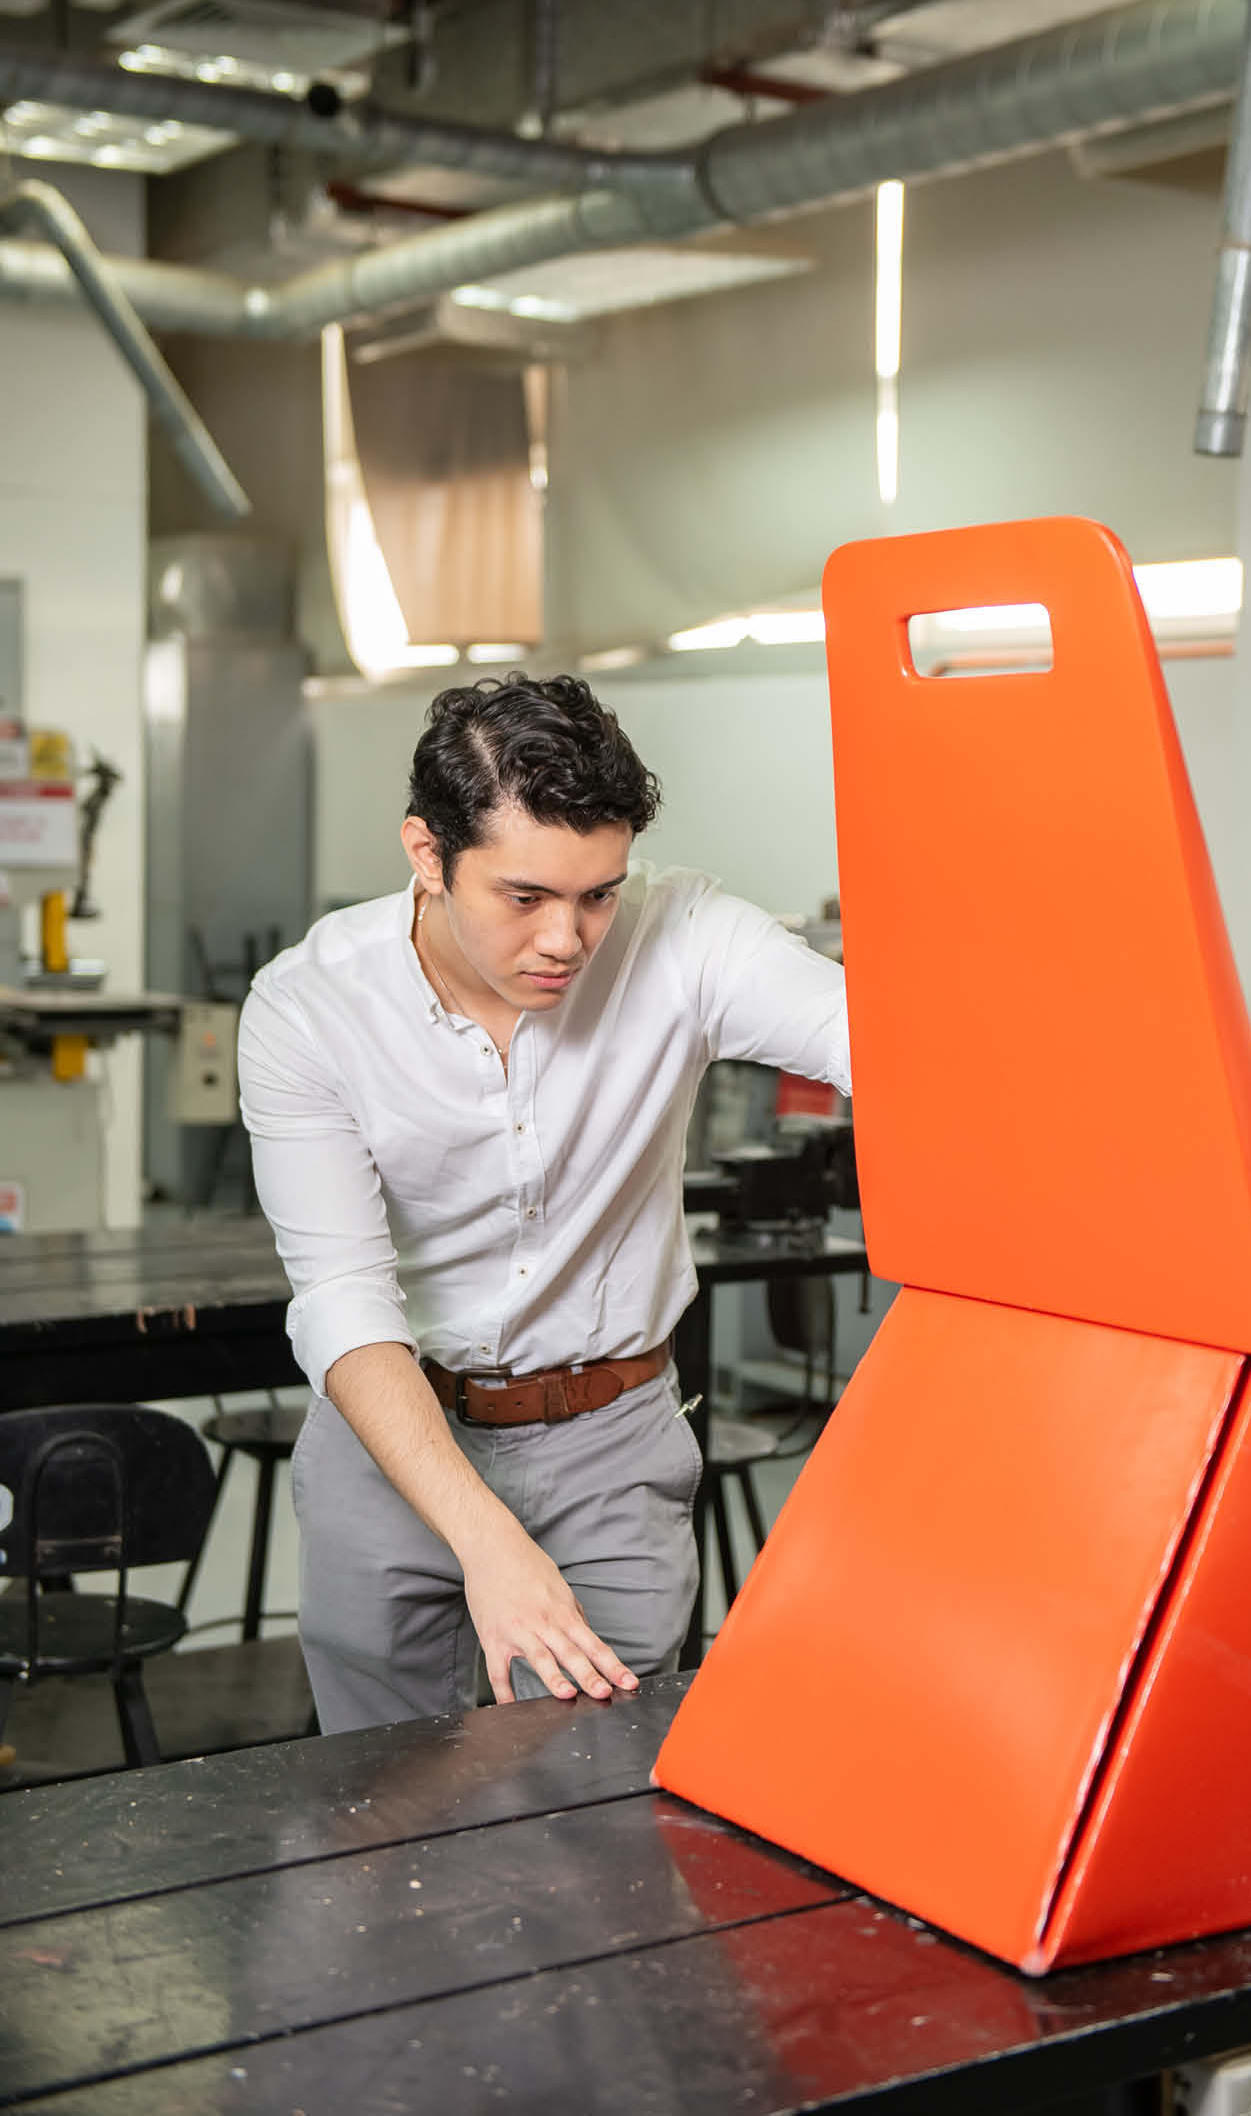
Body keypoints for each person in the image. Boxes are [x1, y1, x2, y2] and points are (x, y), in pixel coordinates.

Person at [239, 675, 850, 1733]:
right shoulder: (310, 1008)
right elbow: (342, 1297)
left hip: (609, 1440)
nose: (567, 938)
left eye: (598, 894)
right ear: (426, 853)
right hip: (394, 1440)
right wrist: (487, 1542)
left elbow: (886, 1043)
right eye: (524, 898)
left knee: (594, 1792)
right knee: (382, 1799)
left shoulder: (687, 937)